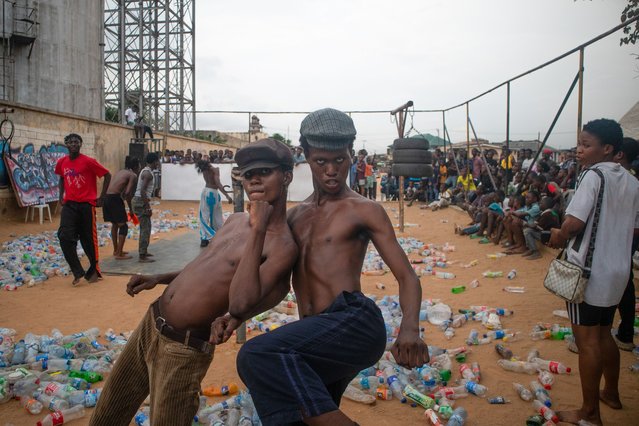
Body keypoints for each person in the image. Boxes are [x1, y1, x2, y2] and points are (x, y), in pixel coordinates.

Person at [220, 108, 428, 426]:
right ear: (306, 157)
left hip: (354, 322)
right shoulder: (294, 217)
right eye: (321, 162)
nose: (331, 170)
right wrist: (236, 316)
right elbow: (275, 287)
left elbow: (406, 276)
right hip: (317, 338)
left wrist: (410, 329)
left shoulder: (364, 210)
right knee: (300, 417)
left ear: (349, 156)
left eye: (340, 160)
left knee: (255, 355)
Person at [89, 138, 297, 426]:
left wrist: (260, 227)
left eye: (264, 171)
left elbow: (239, 303)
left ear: (286, 176)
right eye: (248, 174)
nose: (254, 180)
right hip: (151, 324)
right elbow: (204, 268)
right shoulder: (236, 220)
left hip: (182, 349)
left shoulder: (281, 246)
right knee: (107, 413)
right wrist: (157, 278)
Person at [548, 119, 639, 425]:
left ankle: (589, 413)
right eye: (580, 144)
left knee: (587, 341)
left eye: (586, 145)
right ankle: (610, 392)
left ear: (607, 149)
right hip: (618, 271)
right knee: (604, 333)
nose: (579, 151)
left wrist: (558, 235)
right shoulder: (632, 181)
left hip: (589, 272)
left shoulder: (593, 176)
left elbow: (573, 224)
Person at [55, 133, 111, 285]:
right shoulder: (62, 162)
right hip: (69, 205)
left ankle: (94, 271)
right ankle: (77, 271)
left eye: (76, 142)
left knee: (88, 239)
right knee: (65, 236)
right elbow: (61, 177)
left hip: (86, 205)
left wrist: (102, 197)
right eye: (71, 142)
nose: (74, 144)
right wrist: (61, 195)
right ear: (66, 144)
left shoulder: (88, 161)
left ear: (80, 145)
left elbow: (107, 175)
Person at [612, 137, 639, 351]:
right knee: (625, 282)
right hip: (627, 236)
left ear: (619, 154)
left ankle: (622, 333)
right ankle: (625, 332)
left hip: (623, 237)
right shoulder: (632, 179)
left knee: (620, 283)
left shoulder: (623, 180)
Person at [103, 156, 140, 259]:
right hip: (114, 199)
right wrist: (131, 209)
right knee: (123, 226)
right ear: (136, 166)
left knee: (115, 224)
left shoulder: (120, 172)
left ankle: (116, 250)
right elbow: (128, 193)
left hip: (107, 198)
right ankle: (119, 254)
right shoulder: (132, 175)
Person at [195, 159, 233, 247]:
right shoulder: (215, 169)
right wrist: (227, 196)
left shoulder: (204, 170)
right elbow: (218, 184)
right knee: (217, 216)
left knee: (204, 216)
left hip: (206, 192)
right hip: (214, 193)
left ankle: (204, 238)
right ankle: (218, 236)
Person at [132, 153, 160, 263]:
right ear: (154, 162)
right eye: (157, 161)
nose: (158, 163)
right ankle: (142, 255)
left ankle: (144, 251)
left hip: (139, 200)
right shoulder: (148, 174)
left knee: (146, 226)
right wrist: (147, 207)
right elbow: (143, 191)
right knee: (145, 228)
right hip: (141, 201)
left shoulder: (145, 171)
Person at [521, 196, 560, 260]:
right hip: (548, 234)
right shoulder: (549, 212)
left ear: (546, 205)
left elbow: (537, 227)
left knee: (527, 231)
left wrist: (527, 224)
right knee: (528, 229)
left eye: (541, 203)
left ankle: (535, 252)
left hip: (549, 236)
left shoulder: (547, 214)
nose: (539, 205)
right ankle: (531, 249)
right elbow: (537, 223)